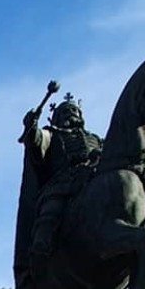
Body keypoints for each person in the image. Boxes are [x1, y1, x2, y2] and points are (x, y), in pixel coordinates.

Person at [21, 91, 103, 260]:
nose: (71, 115)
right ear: (57, 118)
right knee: (51, 210)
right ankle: (41, 248)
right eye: (65, 112)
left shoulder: (94, 138)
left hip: (93, 179)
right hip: (63, 183)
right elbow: (36, 141)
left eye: (74, 111)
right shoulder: (52, 134)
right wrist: (32, 125)